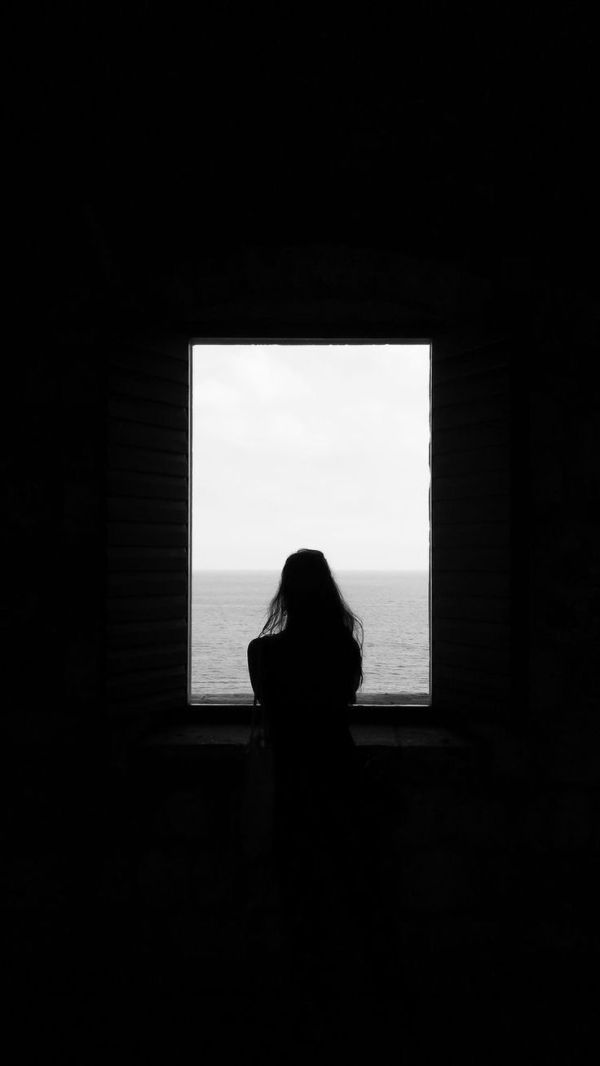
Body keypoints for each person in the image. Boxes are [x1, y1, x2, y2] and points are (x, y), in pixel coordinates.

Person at [247, 549, 384, 996]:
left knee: (296, 889)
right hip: (339, 771)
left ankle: (300, 989)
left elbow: (271, 708)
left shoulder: (262, 653)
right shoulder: (344, 649)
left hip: (290, 779)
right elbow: (344, 700)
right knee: (346, 884)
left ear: (285, 593)